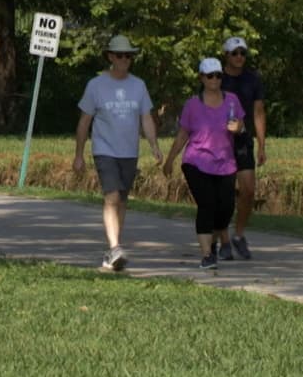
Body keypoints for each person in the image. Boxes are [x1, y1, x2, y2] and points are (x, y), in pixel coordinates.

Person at [73, 34, 163, 271]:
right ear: (111, 57)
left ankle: (113, 250)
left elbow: (146, 117)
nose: (125, 59)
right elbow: (84, 122)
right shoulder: (96, 85)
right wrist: (79, 154)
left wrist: (153, 145)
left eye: (129, 56)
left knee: (121, 200)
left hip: (129, 152)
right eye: (120, 55)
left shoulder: (138, 85)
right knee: (111, 197)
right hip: (105, 150)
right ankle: (115, 248)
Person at [163, 58, 244, 270]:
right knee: (207, 204)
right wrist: (170, 159)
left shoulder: (232, 100)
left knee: (225, 208)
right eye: (210, 76)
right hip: (196, 161)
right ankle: (207, 255)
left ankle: (216, 239)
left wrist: (239, 128)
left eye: (218, 75)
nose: (215, 80)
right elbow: (182, 135)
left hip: (225, 163)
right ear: (201, 78)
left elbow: (241, 125)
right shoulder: (192, 105)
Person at [217, 36, 267, 261]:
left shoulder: (253, 79)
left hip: (243, 140)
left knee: (247, 190)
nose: (239, 57)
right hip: (219, 142)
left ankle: (238, 235)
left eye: (242, 53)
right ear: (226, 55)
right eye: (235, 53)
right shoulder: (216, 77)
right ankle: (223, 240)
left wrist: (262, 145)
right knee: (222, 194)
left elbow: (258, 112)